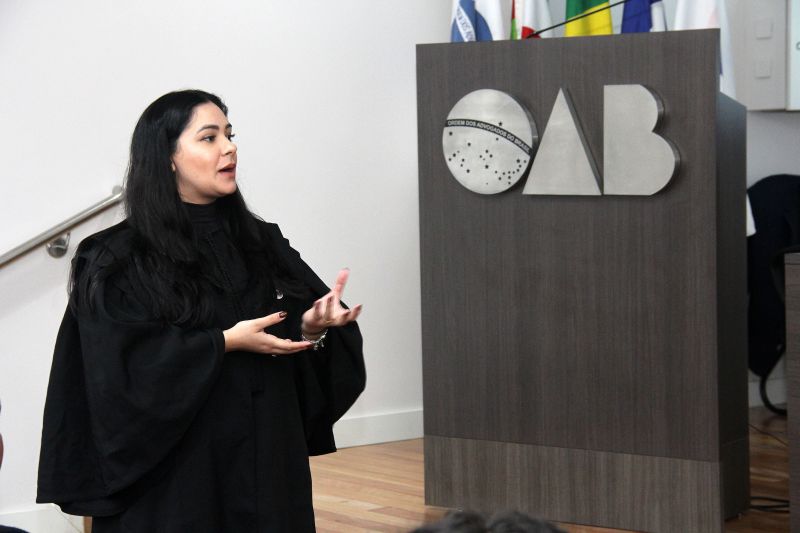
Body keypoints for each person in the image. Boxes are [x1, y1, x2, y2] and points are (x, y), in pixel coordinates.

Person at [36, 90, 366, 532]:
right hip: (177, 474)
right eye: (209, 138)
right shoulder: (117, 257)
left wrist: (312, 326)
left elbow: (302, 326)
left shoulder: (261, 241)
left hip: (266, 456)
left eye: (230, 135)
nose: (229, 148)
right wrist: (224, 342)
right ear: (167, 157)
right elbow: (117, 369)